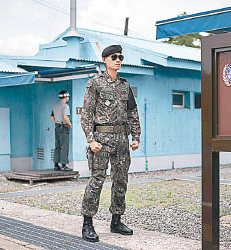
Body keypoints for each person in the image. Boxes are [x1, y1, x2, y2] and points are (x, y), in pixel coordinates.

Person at [80, 45, 141, 243]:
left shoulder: (125, 85)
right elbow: (87, 113)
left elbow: (132, 112)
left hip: (121, 140)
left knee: (121, 180)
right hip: (101, 140)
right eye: (114, 57)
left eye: (120, 57)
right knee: (97, 180)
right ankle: (87, 223)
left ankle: (116, 220)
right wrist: (91, 139)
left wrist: (136, 136)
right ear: (105, 59)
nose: (118, 60)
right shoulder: (95, 84)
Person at [51, 90, 73, 171]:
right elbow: (65, 118)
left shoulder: (55, 106)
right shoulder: (65, 106)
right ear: (65, 97)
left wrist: (57, 123)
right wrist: (70, 125)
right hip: (63, 127)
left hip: (57, 127)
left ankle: (56, 165)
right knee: (64, 146)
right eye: (68, 96)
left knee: (57, 146)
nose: (68, 98)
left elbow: (52, 118)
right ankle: (64, 165)